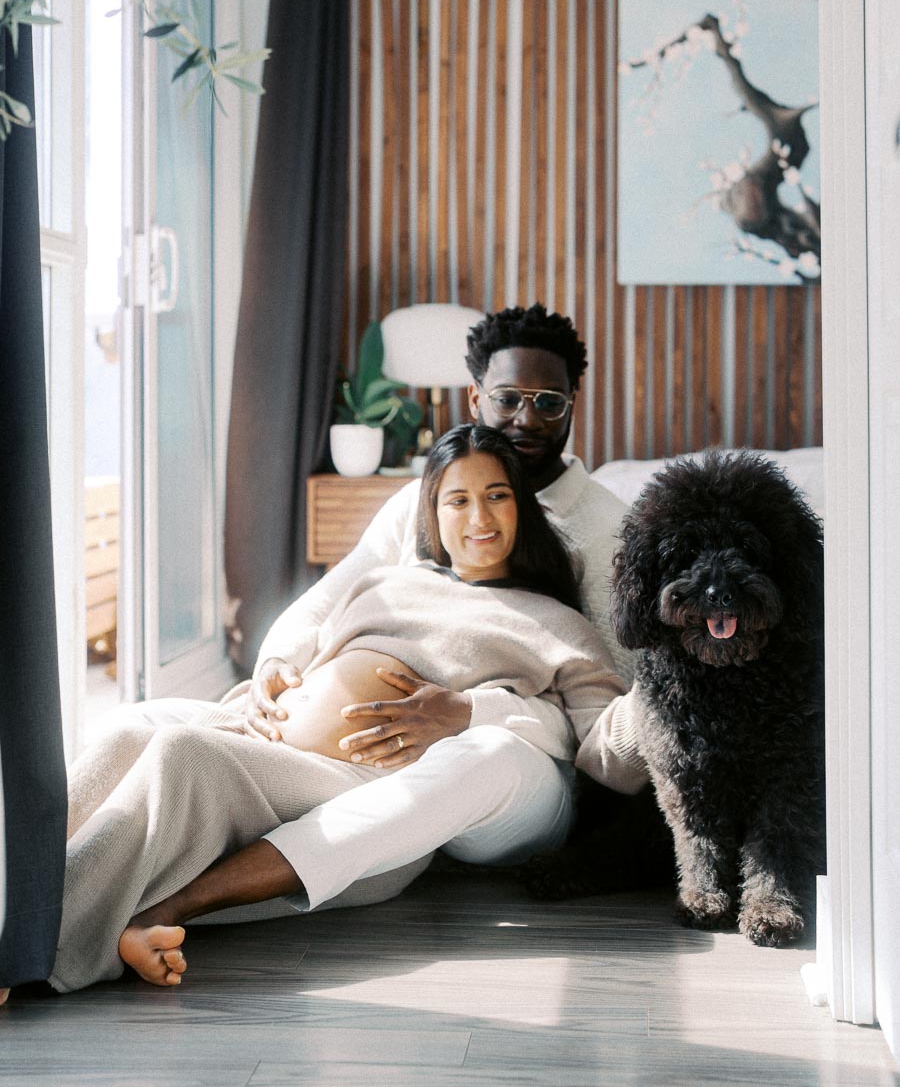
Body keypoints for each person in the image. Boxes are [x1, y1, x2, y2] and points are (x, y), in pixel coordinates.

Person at [16, 425, 642, 996]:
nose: (478, 516)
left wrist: (473, 711)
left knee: (183, 757)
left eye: (497, 496)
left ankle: (26, 948)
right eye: (457, 500)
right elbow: (309, 634)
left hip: (360, 778)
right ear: (433, 512)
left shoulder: (557, 625)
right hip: (264, 733)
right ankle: (11, 895)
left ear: (522, 508)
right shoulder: (388, 582)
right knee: (127, 729)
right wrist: (272, 675)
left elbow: (601, 750)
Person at [247, 304, 640, 771]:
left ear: (572, 401)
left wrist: (471, 712)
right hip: (357, 745)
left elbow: (608, 702)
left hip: (500, 757)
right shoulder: (420, 499)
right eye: (508, 399)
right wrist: (276, 661)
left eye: (549, 402)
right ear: (476, 400)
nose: (528, 420)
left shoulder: (611, 530)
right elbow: (325, 600)